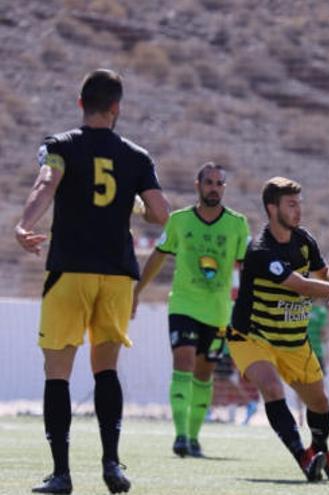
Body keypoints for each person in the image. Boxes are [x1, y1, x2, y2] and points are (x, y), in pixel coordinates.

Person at [15, 69, 169, 494]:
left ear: (80, 104)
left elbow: (47, 183)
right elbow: (161, 213)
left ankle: (62, 474)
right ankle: (111, 467)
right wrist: (134, 202)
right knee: (106, 371)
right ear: (116, 107)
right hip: (118, 275)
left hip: (71, 269)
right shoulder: (138, 157)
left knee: (57, 373)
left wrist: (24, 223)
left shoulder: (60, 145)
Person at [227, 177, 329, 482]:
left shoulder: (305, 240)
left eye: (300, 204)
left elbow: (325, 278)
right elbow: (302, 284)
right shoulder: (259, 250)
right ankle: (303, 458)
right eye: (291, 204)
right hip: (252, 337)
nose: (298, 211)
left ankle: (321, 452)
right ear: (272, 208)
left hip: (294, 340)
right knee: (271, 387)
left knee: (320, 403)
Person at [132, 162, 250, 458]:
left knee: (204, 373)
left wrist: (250, 306)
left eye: (219, 183)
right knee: (182, 362)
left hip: (218, 310)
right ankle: (181, 436)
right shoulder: (180, 221)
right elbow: (159, 256)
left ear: (224, 188)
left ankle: (194, 437)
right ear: (198, 185)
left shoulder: (237, 224)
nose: (214, 188)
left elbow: (246, 269)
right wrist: (137, 291)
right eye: (209, 182)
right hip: (183, 304)